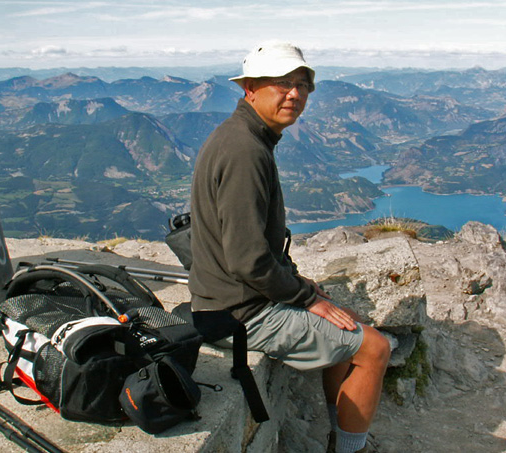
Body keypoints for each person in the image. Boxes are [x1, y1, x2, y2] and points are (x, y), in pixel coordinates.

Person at [188, 41, 391, 453]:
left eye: (301, 85)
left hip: (235, 298)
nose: (294, 94)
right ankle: (349, 450)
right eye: (281, 83)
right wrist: (302, 297)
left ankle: (342, 435)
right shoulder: (244, 149)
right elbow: (247, 259)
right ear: (250, 88)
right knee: (375, 348)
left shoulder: (247, 136)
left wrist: (297, 284)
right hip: (240, 312)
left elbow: (253, 246)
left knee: (344, 326)